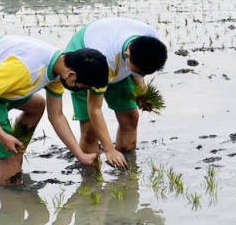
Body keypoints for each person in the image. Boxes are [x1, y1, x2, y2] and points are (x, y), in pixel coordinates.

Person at [0, 36, 108, 185]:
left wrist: (79, 154)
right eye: (80, 88)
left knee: (37, 106)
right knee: (9, 156)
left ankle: (17, 150)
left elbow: (56, 116)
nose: (77, 90)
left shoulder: (59, 68)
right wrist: (2, 135)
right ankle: (10, 195)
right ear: (72, 75)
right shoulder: (29, 69)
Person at [65, 18, 167, 170]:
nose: (140, 75)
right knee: (90, 130)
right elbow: (95, 109)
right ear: (127, 55)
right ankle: (91, 181)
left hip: (117, 64)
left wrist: (142, 94)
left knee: (131, 118)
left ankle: (126, 171)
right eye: (136, 70)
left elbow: (139, 72)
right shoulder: (104, 60)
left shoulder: (150, 41)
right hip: (84, 64)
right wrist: (109, 150)